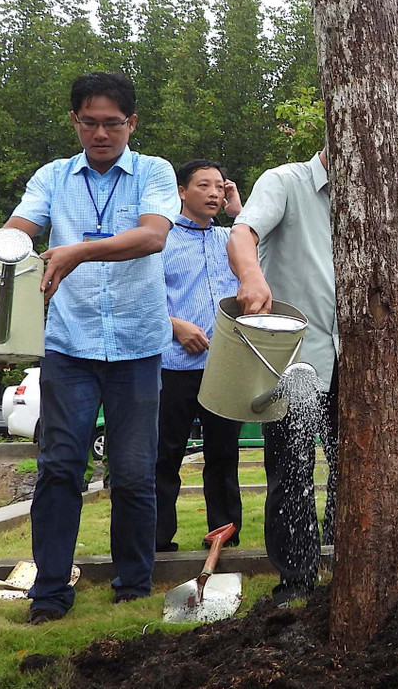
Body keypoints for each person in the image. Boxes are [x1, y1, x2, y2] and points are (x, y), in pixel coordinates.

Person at [1, 71, 179, 624]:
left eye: (112, 123)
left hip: (137, 344)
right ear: (74, 121)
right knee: (59, 466)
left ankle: (134, 586)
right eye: (90, 122)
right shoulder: (53, 177)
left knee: (133, 471)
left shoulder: (154, 171)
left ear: (132, 124)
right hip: (69, 344)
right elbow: (16, 235)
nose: (101, 134)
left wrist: (76, 251)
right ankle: (50, 591)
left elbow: (153, 236)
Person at [227, 148, 337, 606]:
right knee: (291, 472)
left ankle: (349, 565)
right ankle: (296, 579)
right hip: (294, 360)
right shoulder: (285, 182)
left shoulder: (374, 192)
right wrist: (251, 276)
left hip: (360, 361)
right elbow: (242, 233)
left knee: (358, 470)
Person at [154, 159, 245, 552]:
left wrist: (238, 213)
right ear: (181, 191)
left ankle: (224, 535)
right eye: (203, 185)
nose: (213, 193)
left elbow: (264, 263)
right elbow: (141, 295)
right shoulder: (161, 238)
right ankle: (157, 538)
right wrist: (175, 325)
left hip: (223, 366)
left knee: (224, 454)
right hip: (173, 364)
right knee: (165, 453)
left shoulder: (232, 239)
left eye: (220, 187)